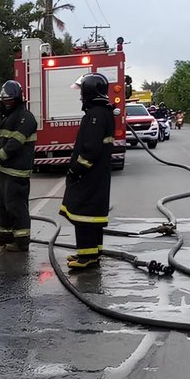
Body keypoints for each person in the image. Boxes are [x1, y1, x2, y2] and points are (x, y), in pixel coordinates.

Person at [60, 73, 115, 269]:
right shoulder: (102, 112)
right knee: (92, 217)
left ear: (90, 91)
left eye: (82, 92)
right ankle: (92, 252)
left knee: (83, 214)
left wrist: (76, 170)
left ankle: (87, 257)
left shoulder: (95, 115)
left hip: (89, 175)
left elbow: (90, 149)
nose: (81, 96)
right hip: (97, 176)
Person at [0, 80, 38, 252]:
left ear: (17, 98)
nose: (6, 103)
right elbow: (1, 141)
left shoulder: (26, 118)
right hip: (2, 172)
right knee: (1, 206)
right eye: (4, 100)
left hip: (17, 172)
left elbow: (14, 145)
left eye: (9, 100)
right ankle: (5, 237)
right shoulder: (8, 117)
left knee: (16, 207)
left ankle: (21, 242)